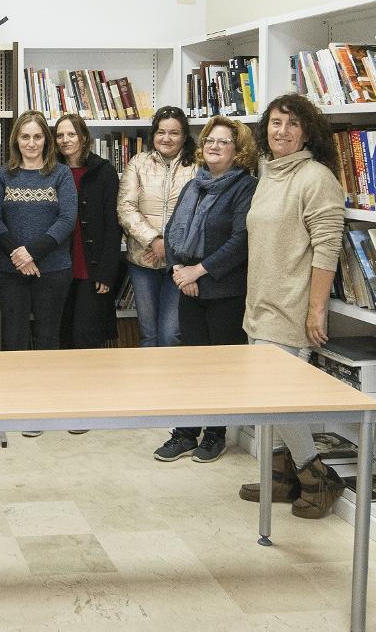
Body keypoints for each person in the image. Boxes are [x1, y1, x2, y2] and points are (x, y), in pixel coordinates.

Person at [239, 94, 346, 518]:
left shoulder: (315, 177)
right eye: (276, 122)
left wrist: (316, 309)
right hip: (259, 303)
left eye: (292, 124)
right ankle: (285, 475)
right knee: (267, 399)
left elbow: (327, 247)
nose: (281, 131)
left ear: (307, 133)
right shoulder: (269, 173)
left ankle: (318, 477)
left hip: (290, 306)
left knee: (279, 397)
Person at [152, 116, 258, 463]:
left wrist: (199, 270)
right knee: (191, 368)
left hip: (224, 291)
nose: (213, 146)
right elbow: (172, 230)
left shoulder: (245, 187)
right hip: (189, 288)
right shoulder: (193, 184)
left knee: (220, 369)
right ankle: (184, 433)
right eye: (210, 140)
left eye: (223, 142)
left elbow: (240, 240)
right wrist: (180, 271)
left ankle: (214, 435)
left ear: (238, 150)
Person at [0, 111, 76, 437]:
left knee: (47, 336)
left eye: (37, 137)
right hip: (12, 269)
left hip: (53, 269)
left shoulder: (61, 175)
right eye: (24, 137)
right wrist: (17, 253)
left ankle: (43, 407)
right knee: (12, 337)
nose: (30, 143)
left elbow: (67, 219)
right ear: (16, 141)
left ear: (46, 140)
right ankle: (16, 406)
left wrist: (32, 252)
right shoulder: (3, 176)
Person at [117, 105, 196, 349]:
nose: (167, 138)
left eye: (174, 133)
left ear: (184, 136)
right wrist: (154, 241)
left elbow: (199, 214)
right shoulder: (138, 163)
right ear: (153, 135)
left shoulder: (197, 166)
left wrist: (169, 248)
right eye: (161, 132)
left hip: (181, 263)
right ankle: (148, 386)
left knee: (171, 333)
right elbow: (125, 207)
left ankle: (170, 386)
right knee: (149, 334)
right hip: (143, 261)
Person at [55, 114, 121, 352]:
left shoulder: (104, 172)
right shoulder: (50, 171)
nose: (65, 140)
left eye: (71, 134)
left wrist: (106, 273)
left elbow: (113, 225)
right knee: (61, 334)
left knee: (87, 334)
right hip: (58, 267)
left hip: (91, 269)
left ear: (83, 138)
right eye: (60, 135)